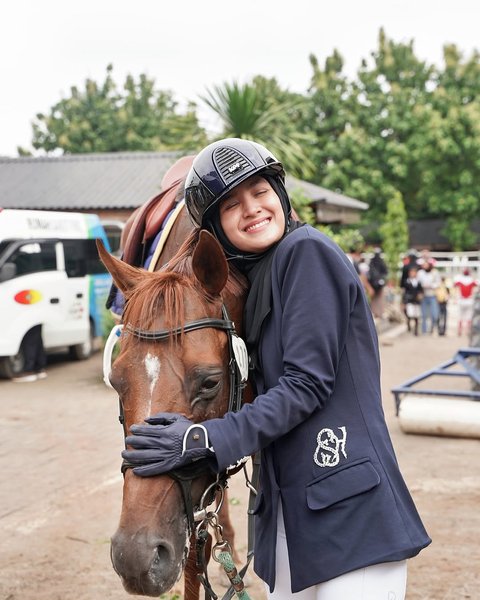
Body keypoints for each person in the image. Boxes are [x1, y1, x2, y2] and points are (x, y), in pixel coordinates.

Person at [122, 138, 431, 599]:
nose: (251, 209)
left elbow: (306, 384)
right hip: (290, 520)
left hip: (350, 520)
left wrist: (202, 440)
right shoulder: (262, 274)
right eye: (231, 205)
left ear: (280, 195)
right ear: (217, 228)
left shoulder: (306, 252)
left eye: (260, 192)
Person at [417, 259, 440, 334]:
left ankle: (432, 329)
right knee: (424, 314)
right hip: (424, 295)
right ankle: (424, 330)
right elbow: (418, 283)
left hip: (432, 295)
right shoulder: (420, 273)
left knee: (434, 314)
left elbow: (438, 283)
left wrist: (431, 286)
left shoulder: (435, 273)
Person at [454, 268, 478, 336]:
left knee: (460, 316)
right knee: (469, 317)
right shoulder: (471, 280)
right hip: (469, 300)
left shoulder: (460, 280)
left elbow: (455, 284)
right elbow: (476, 284)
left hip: (462, 300)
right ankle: (468, 331)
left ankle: (460, 331)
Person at [403, 266, 424, 336]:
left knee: (416, 316)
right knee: (409, 314)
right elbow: (405, 292)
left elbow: (421, 291)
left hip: (416, 301)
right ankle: (408, 324)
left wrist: (420, 295)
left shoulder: (418, 282)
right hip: (409, 300)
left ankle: (416, 330)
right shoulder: (407, 282)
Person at [368, 248, 388, 319]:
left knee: (380, 298)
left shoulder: (381, 262)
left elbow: (385, 272)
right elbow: (370, 273)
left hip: (380, 284)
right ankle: (374, 313)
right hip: (373, 284)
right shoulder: (372, 262)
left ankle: (379, 313)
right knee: (373, 299)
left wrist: (381, 280)